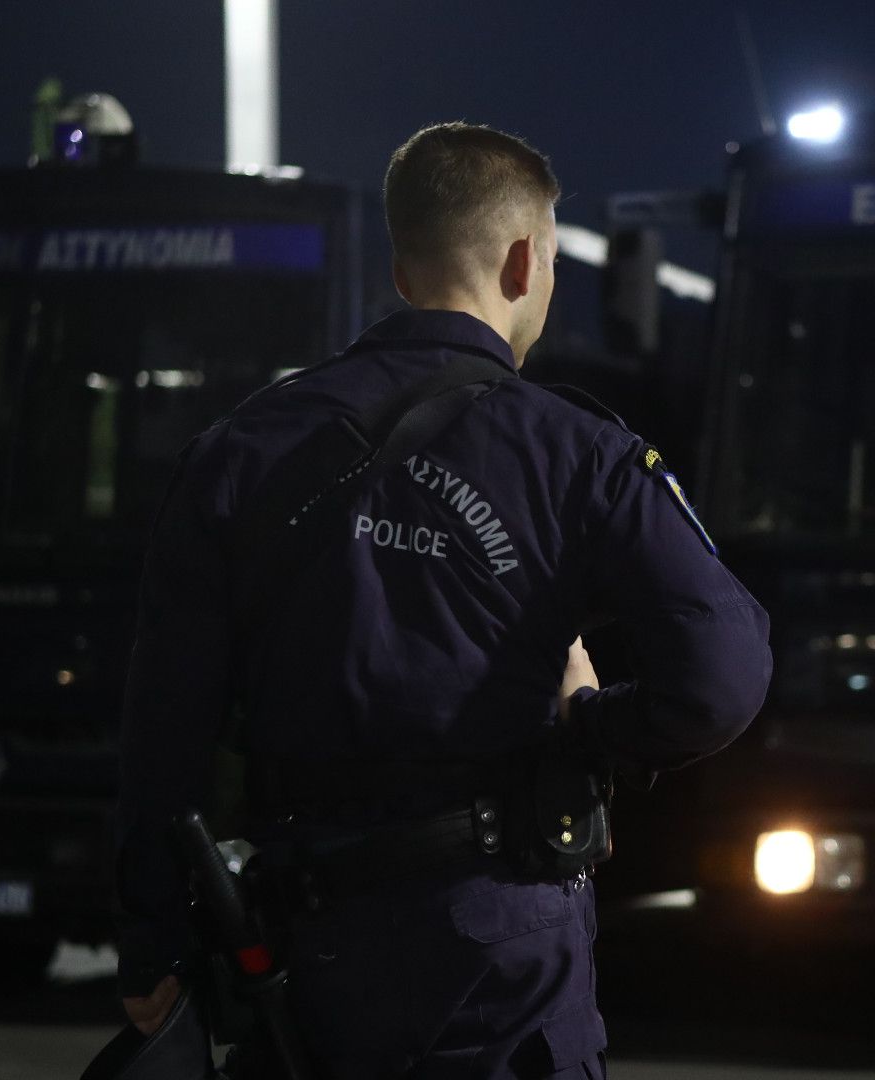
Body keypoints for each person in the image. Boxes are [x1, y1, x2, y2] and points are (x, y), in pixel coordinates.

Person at [112, 122, 773, 1078]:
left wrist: (152, 940)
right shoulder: (578, 454)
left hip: (303, 952)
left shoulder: (239, 450)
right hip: (500, 952)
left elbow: (162, 725)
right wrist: (589, 727)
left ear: (401, 269)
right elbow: (720, 677)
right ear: (524, 262)